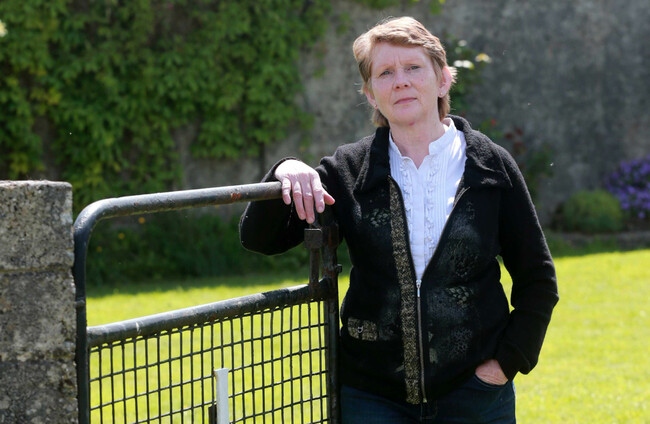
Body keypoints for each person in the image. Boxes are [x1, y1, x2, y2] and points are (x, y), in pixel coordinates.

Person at [240, 16, 558, 424]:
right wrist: (283, 170)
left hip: (474, 395)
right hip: (373, 399)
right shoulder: (348, 171)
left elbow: (537, 279)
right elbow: (260, 239)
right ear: (371, 94)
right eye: (385, 73)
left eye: (413, 68)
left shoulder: (490, 166)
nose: (401, 81)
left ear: (443, 80)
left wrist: (506, 364)